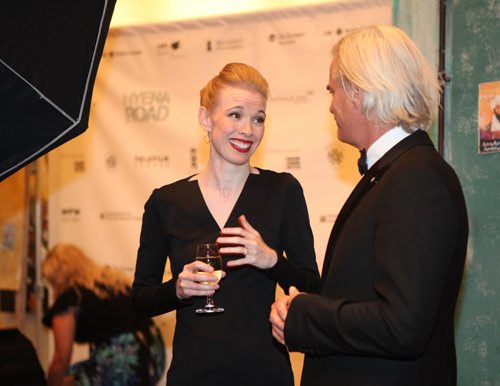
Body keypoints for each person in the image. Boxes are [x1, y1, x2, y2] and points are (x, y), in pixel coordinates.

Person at [270, 25, 469, 386]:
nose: (330, 105)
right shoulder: (398, 174)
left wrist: (304, 314)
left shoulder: (415, 179)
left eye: (333, 91)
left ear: (358, 92)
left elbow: (402, 325)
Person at [132, 62, 320, 386]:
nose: (248, 129)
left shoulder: (283, 191)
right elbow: (140, 300)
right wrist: (177, 289)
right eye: (236, 115)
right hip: (194, 375)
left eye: (258, 118)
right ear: (206, 118)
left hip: (266, 374)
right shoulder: (167, 202)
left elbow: (312, 288)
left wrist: (271, 260)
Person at [42, 243, 165, 386]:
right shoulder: (114, 283)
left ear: (57, 277)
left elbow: (60, 360)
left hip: (124, 360)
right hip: (154, 356)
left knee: (68, 379)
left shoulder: (70, 298)